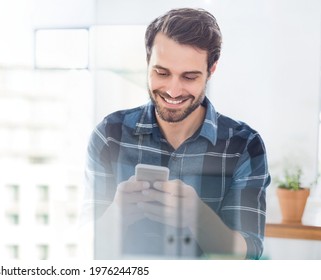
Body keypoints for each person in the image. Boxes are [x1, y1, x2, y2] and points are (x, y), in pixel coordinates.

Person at [84, 8, 270, 260]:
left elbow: (250, 252)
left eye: (189, 77)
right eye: (162, 73)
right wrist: (118, 212)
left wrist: (200, 217)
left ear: (211, 70)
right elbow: (86, 244)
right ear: (147, 62)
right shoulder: (110, 134)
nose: (173, 90)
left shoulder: (244, 145)